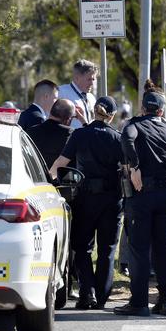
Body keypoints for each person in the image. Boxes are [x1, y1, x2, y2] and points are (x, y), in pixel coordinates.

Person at [50, 96, 124, 310]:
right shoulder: (117, 138)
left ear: (94, 110)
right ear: (112, 116)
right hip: (112, 200)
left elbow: (59, 165)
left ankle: (86, 293)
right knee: (107, 249)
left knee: (82, 248)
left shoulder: (79, 135)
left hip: (84, 199)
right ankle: (101, 296)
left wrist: (53, 182)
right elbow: (127, 168)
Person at [114, 80, 166, 317]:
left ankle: (139, 302)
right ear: (161, 111)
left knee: (139, 249)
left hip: (141, 195)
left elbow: (126, 139)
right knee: (163, 249)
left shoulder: (134, 125)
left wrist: (136, 167)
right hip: (163, 195)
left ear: (143, 108)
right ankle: (165, 301)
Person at [25, 99, 76, 169]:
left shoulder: (31, 131)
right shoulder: (71, 134)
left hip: (33, 177)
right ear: (69, 119)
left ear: (50, 112)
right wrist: (84, 123)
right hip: (59, 178)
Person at [58, 59, 98, 129]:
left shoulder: (91, 98)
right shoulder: (61, 92)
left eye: (93, 79)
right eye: (89, 79)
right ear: (77, 78)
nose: (92, 83)